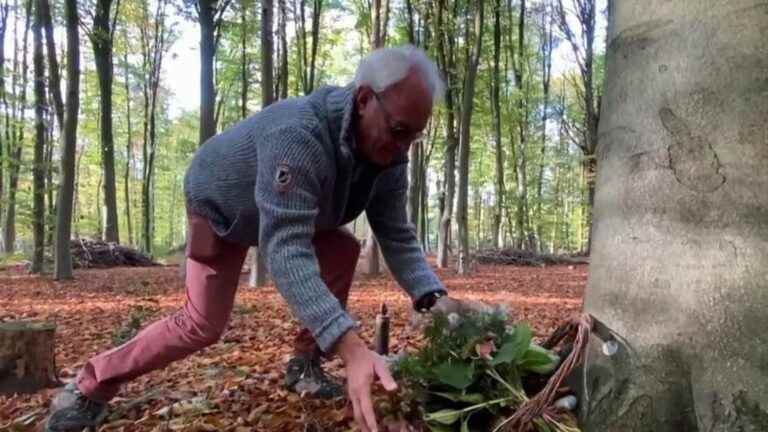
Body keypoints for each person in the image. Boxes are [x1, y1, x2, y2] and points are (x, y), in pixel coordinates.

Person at [45, 45, 475, 432]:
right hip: (222, 209)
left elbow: (396, 232)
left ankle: (304, 363)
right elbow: (285, 248)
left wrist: (432, 298)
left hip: (291, 212)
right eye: (400, 131)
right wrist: (349, 343)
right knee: (201, 324)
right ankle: (89, 386)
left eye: (415, 136)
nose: (405, 148)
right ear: (364, 100)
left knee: (343, 248)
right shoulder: (298, 135)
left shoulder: (389, 156)